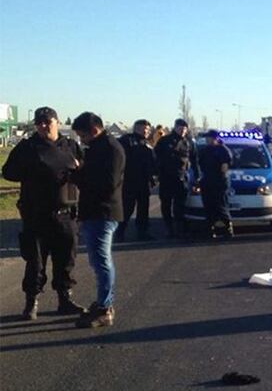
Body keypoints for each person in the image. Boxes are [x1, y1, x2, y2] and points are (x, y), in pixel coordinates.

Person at [1, 106, 86, 320]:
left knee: (66, 259)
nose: (43, 126)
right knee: (35, 261)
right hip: (36, 214)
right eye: (39, 123)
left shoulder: (71, 146)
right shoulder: (28, 147)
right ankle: (32, 302)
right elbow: (8, 172)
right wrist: (32, 171)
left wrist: (79, 170)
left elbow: (84, 172)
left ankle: (64, 299)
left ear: (56, 122)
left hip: (66, 213)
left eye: (47, 122)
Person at [71, 112, 125, 328]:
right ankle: (104, 302)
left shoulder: (111, 149)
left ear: (93, 130)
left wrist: (78, 175)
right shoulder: (98, 148)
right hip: (94, 212)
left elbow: (107, 183)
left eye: (82, 136)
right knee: (98, 260)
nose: (81, 140)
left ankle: (104, 307)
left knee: (102, 261)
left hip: (103, 213)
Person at [116, 119, 156, 242]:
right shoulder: (126, 141)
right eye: (144, 129)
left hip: (144, 182)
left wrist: (153, 177)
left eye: (148, 130)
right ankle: (119, 233)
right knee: (127, 209)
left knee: (143, 210)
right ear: (137, 128)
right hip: (129, 182)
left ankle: (142, 233)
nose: (146, 131)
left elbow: (152, 163)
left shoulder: (147, 144)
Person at [155, 118, 196, 237]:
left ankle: (179, 228)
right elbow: (156, 157)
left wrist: (197, 175)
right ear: (175, 127)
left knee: (180, 205)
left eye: (185, 129)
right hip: (166, 177)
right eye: (180, 128)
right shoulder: (164, 140)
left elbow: (194, 159)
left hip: (181, 178)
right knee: (166, 204)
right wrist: (157, 173)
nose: (183, 131)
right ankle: (169, 227)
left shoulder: (188, 142)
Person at [198, 130, 233, 239]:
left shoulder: (223, 150)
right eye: (206, 138)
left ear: (215, 138)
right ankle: (210, 230)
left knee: (221, 206)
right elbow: (200, 165)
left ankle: (228, 228)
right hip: (207, 181)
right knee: (209, 207)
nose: (207, 139)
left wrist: (218, 177)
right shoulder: (205, 150)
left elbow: (224, 167)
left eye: (209, 137)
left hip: (219, 182)